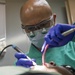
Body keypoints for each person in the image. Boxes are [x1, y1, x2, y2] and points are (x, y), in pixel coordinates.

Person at [15, 0, 75, 70]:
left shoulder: (72, 47)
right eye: (30, 28)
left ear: (54, 19)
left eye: (43, 24)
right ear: (24, 28)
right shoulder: (22, 64)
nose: (37, 32)